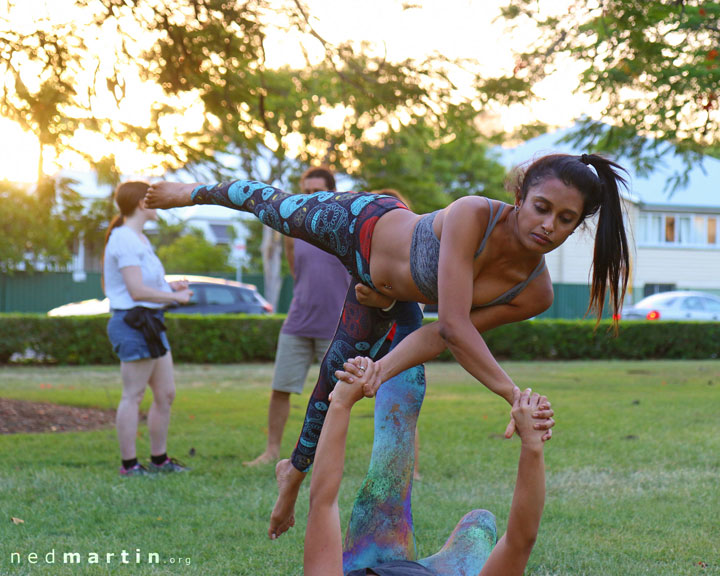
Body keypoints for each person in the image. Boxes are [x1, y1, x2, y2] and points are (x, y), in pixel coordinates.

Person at [144, 152, 629, 534]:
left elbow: (439, 335)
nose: (548, 225)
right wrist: (511, 393)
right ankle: (192, 191)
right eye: (542, 207)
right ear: (521, 195)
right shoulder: (473, 215)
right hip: (363, 222)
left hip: (383, 300)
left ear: (578, 224)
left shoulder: (535, 292)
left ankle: (292, 474)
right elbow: (456, 323)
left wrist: (383, 368)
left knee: (334, 387)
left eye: (566, 219)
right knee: (272, 206)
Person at [305, 350, 554, 576]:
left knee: (387, 482)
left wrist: (341, 402)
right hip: (441, 572)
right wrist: (532, 445)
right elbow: (519, 542)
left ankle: (402, 343)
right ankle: (402, 349)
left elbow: (323, 502)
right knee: (481, 522)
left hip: (366, 558)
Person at [244, 167, 352, 466]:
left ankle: (326, 456)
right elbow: (296, 271)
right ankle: (271, 452)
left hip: (336, 327)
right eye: (305, 190)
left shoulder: (345, 228)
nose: (310, 196)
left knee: (335, 396)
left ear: (332, 192)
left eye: (317, 190)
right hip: (298, 321)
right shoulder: (293, 230)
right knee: (281, 388)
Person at [103, 181, 193, 476]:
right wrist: (175, 297)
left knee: (166, 393)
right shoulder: (123, 239)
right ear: (143, 203)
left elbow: (147, 285)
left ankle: (160, 460)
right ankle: (129, 465)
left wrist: (169, 286)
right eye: (156, 198)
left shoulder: (140, 239)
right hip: (132, 323)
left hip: (151, 323)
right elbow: (136, 291)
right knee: (134, 395)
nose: (162, 203)